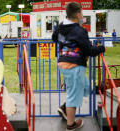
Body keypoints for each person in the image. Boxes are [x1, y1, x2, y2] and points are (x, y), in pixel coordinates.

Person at [52, 2, 105, 131]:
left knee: (85, 87)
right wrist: (101, 48)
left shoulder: (60, 27)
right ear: (77, 14)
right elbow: (89, 51)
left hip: (63, 63)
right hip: (74, 65)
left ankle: (65, 108)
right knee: (74, 95)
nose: (82, 14)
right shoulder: (80, 31)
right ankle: (71, 125)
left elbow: (54, 38)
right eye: (81, 12)